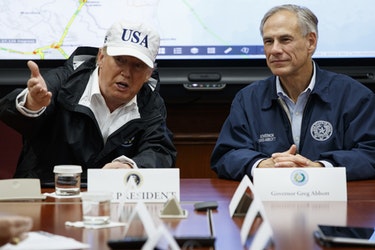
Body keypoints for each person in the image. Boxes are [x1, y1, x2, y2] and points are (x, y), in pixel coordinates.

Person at [211, 4, 375, 181]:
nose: (274, 50)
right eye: (268, 41)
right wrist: (261, 165)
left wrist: (321, 168)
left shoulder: (353, 96)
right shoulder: (248, 99)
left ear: (311, 42)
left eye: (285, 40)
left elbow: (370, 153)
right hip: (269, 201)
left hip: (334, 201)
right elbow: (226, 155)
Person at [0, 20, 176, 184]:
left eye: (137, 65)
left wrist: (130, 167)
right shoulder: (64, 81)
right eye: (120, 60)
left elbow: (159, 150)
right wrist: (32, 104)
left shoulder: (151, 103)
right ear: (101, 57)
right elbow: (15, 117)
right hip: (47, 191)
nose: (126, 73)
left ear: (148, 74)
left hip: (111, 201)